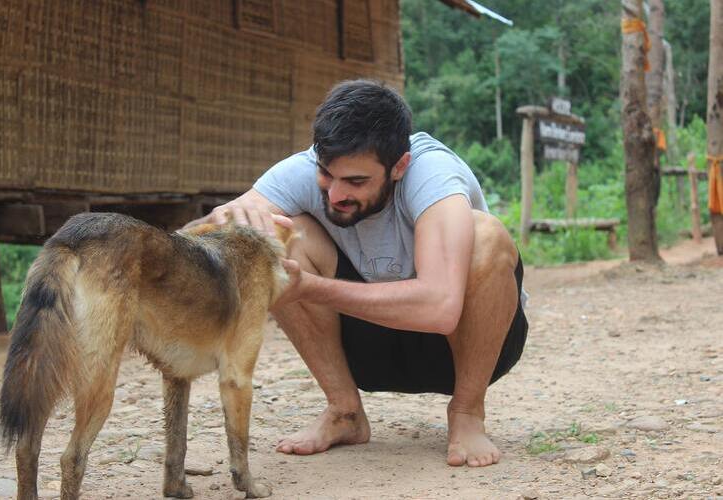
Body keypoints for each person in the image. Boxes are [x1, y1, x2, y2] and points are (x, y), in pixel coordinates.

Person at [185, 79, 528, 467]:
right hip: (367, 349)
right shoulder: (301, 169)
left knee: (488, 235)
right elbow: (202, 236)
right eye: (327, 175)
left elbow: (441, 308)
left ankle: (467, 412)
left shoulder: (433, 174)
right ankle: (344, 412)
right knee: (277, 237)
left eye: (356, 182)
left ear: (400, 165)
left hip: (465, 347)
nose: (334, 194)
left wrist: (312, 288)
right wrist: (222, 224)